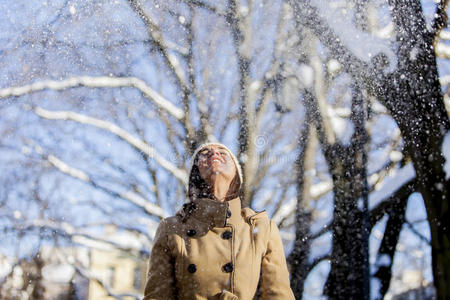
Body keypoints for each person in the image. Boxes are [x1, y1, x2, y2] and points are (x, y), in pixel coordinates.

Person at [143, 142, 295, 300]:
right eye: (205, 153)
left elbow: (278, 295)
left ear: (236, 173)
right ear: (196, 172)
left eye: (223, 152)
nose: (214, 154)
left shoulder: (261, 228)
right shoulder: (172, 228)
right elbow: (157, 296)